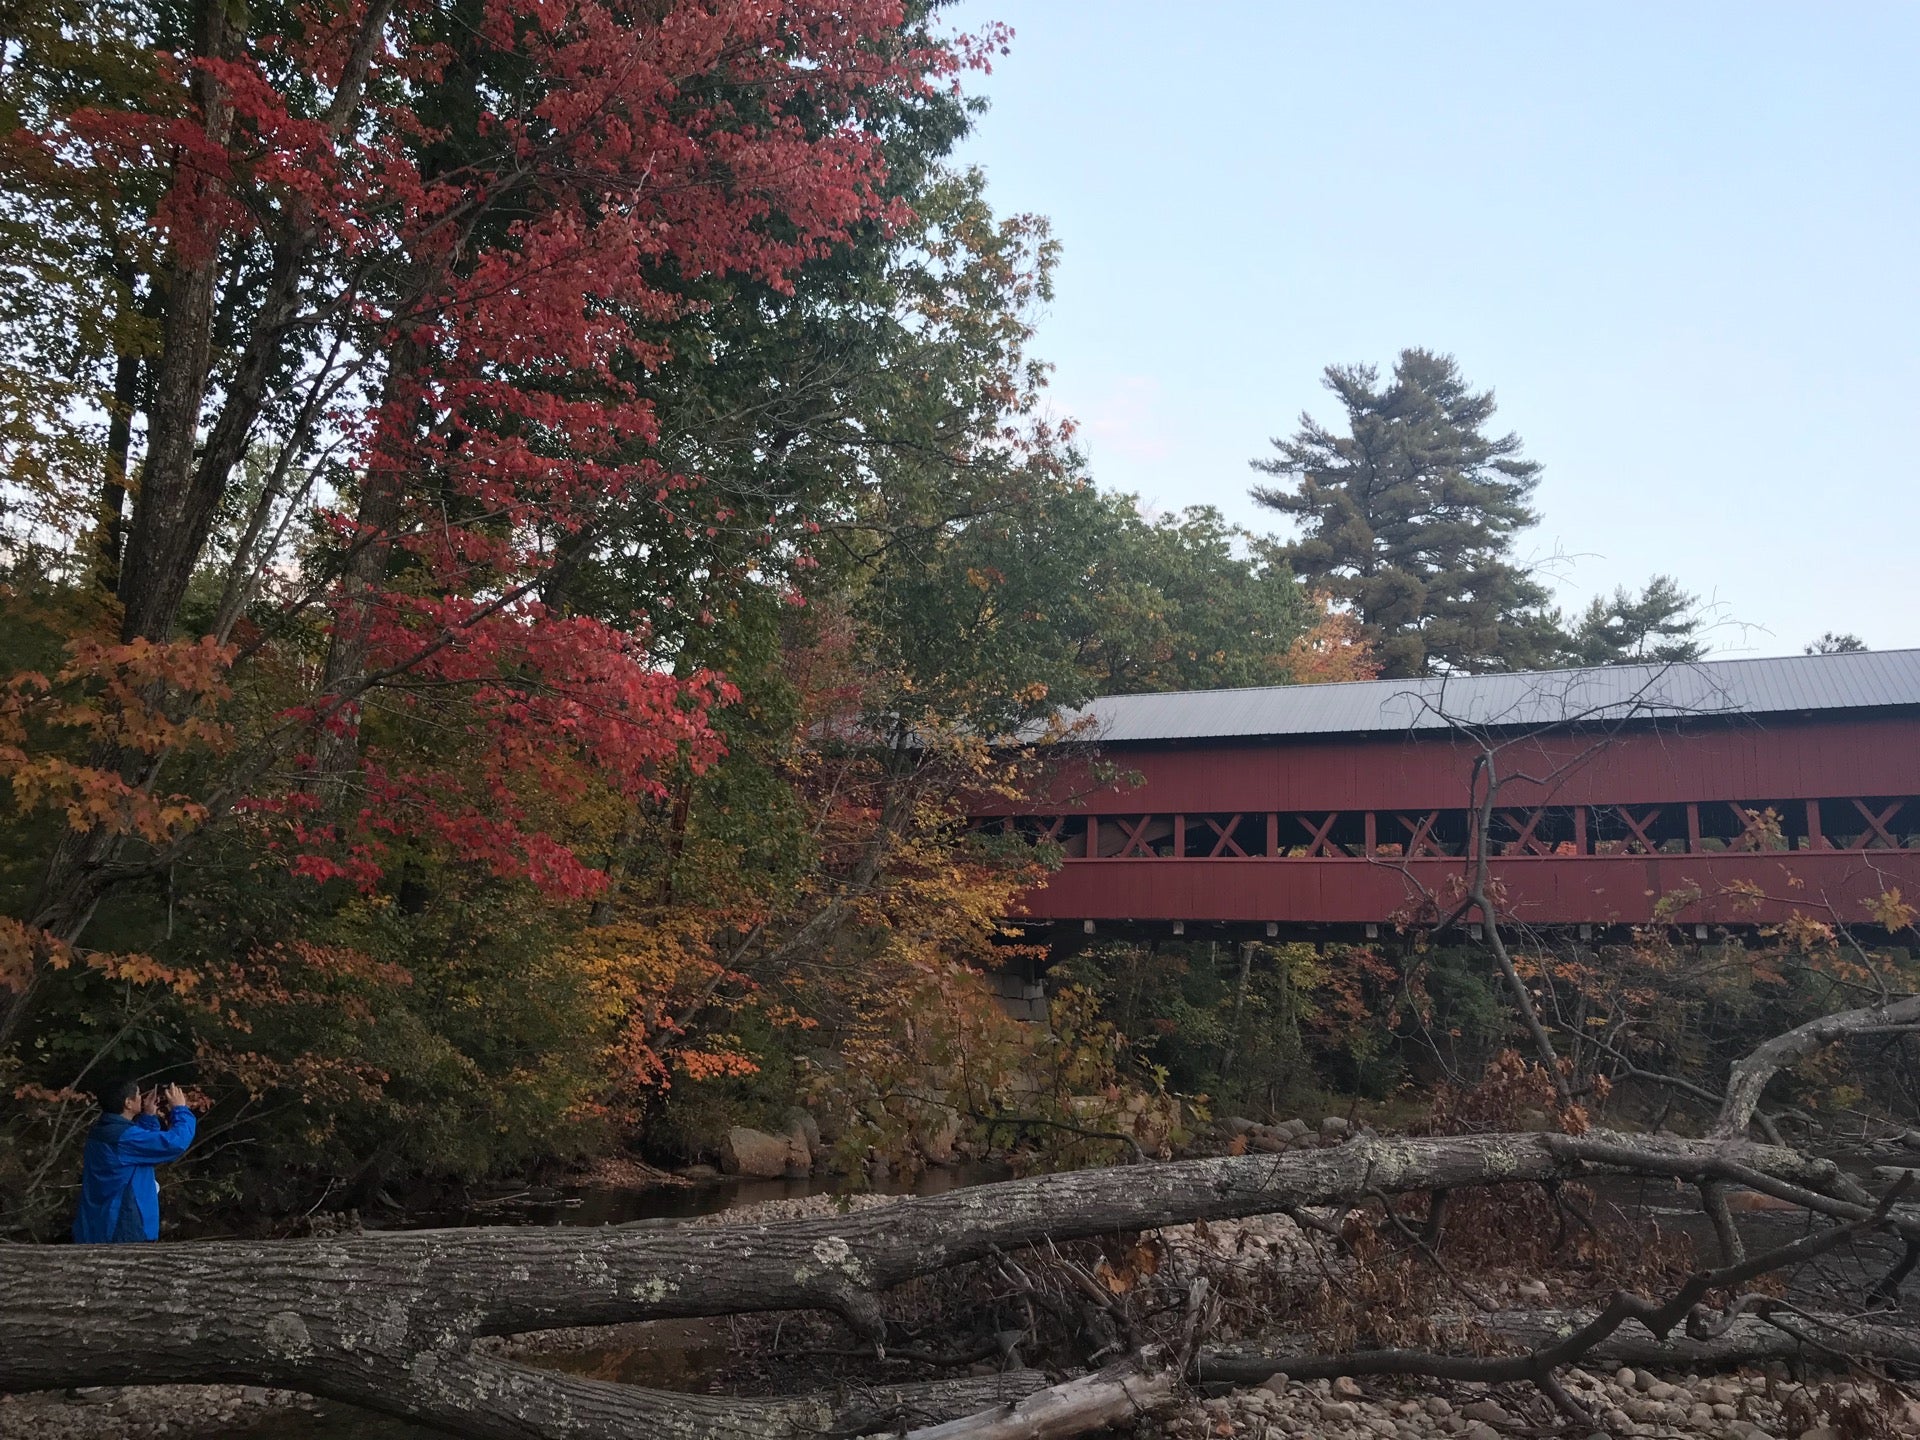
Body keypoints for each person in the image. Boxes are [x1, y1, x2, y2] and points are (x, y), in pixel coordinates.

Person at [71, 1080, 196, 1244]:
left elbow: (138, 1148)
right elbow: (175, 1143)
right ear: (128, 1103)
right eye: (137, 1094)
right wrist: (180, 1109)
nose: (141, 1098)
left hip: (98, 1223)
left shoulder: (101, 1130)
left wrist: (149, 1116)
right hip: (123, 1226)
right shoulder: (124, 1138)